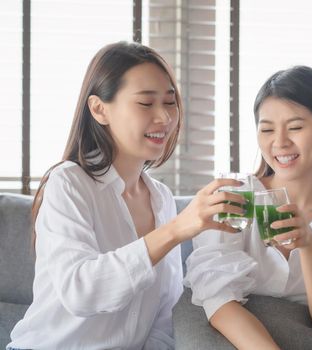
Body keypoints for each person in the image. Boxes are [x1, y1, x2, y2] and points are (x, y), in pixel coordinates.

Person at [7, 41, 245, 350]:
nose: (165, 118)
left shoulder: (161, 198)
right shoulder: (68, 182)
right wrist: (174, 231)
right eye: (146, 104)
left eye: (170, 102)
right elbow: (82, 292)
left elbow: (162, 318)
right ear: (99, 109)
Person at [184, 66, 312, 349]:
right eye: (267, 129)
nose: (279, 142)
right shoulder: (234, 196)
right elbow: (218, 298)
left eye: (295, 127)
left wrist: (309, 247)